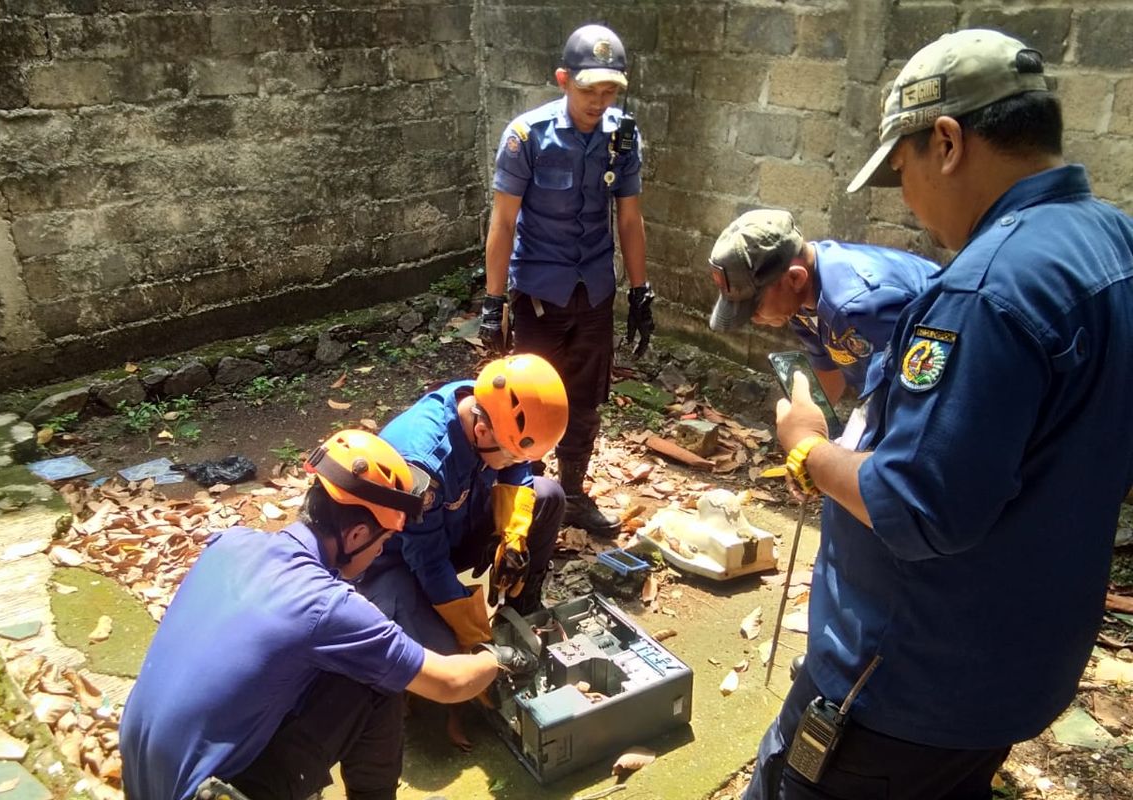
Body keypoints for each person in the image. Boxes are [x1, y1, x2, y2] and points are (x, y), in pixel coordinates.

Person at [746, 29, 1133, 800]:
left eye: (903, 172)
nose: (911, 203)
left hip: (904, 684)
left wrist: (809, 451)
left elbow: (921, 507)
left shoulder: (982, 291)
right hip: (1021, 663)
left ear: (946, 142)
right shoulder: (1114, 241)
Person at [119, 430, 537, 800]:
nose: (380, 552)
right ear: (356, 534)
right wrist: (496, 659)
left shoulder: (231, 542)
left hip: (141, 774)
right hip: (206, 793)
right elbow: (448, 682)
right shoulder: (326, 606)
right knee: (378, 682)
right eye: (384, 540)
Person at [480, 23, 653, 537]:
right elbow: (503, 222)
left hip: (594, 292)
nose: (599, 101)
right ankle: (526, 500)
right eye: (588, 90)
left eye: (609, 91)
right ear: (562, 79)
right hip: (539, 294)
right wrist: (493, 304)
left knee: (584, 401)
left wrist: (640, 292)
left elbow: (629, 218)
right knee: (527, 403)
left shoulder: (622, 137)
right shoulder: (526, 136)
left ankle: (573, 496)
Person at [357, 354, 568, 746]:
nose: (516, 463)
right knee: (452, 672)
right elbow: (428, 561)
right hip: (397, 560)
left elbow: (515, 470)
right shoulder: (420, 461)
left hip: (456, 524)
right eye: (510, 452)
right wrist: (477, 639)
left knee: (548, 495)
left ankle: (522, 608)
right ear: (482, 430)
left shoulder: (484, 404)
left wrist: (514, 537)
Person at [707, 208, 939, 403]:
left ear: (795, 278)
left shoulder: (858, 306)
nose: (754, 319)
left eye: (754, 306)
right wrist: (805, 429)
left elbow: (913, 396)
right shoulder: (800, 298)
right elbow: (828, 368)